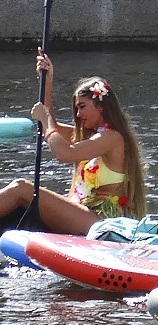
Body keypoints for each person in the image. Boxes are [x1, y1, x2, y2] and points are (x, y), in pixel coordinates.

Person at [0, 53, 147, 235]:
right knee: (20, 194)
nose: (78, 115)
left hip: (102, 221)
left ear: (101, 106)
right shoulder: (89, 136)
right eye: (77, 109)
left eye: (82, 107)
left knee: (21, 188)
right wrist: (47, 79)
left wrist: (45, 120)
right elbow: (50, 123)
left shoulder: (112, 138)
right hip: (82, 212)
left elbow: (64, 153)